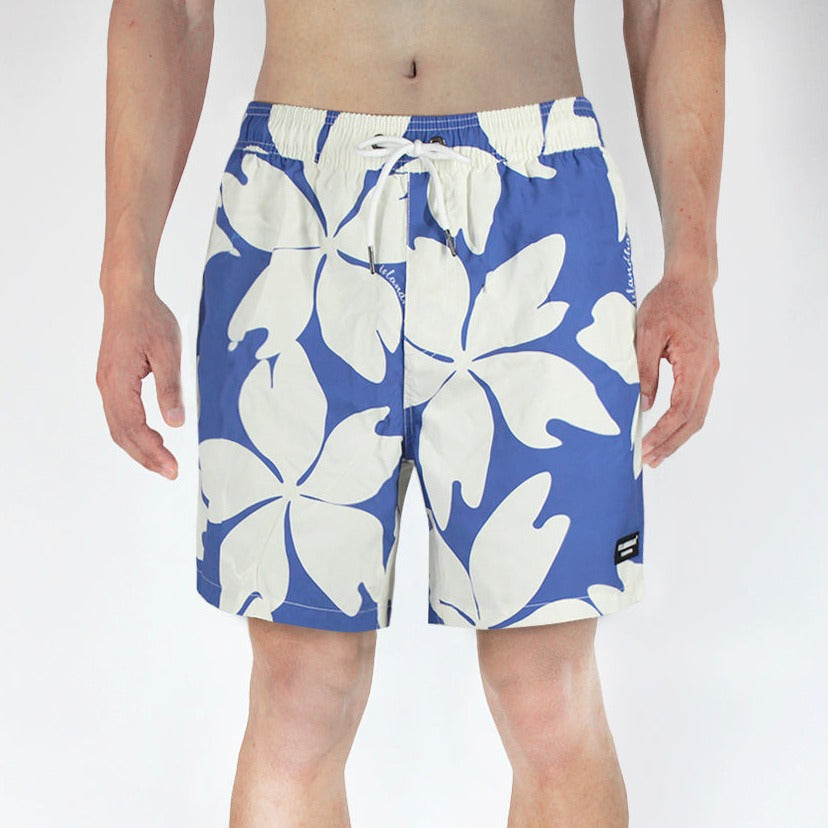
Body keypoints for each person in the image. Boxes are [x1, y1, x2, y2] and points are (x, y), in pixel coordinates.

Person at [95, 0, 724, 824]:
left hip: (539, 198)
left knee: (547, 691)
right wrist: (125, 279)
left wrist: (693, 269)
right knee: (299, 692)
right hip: (295, 204)